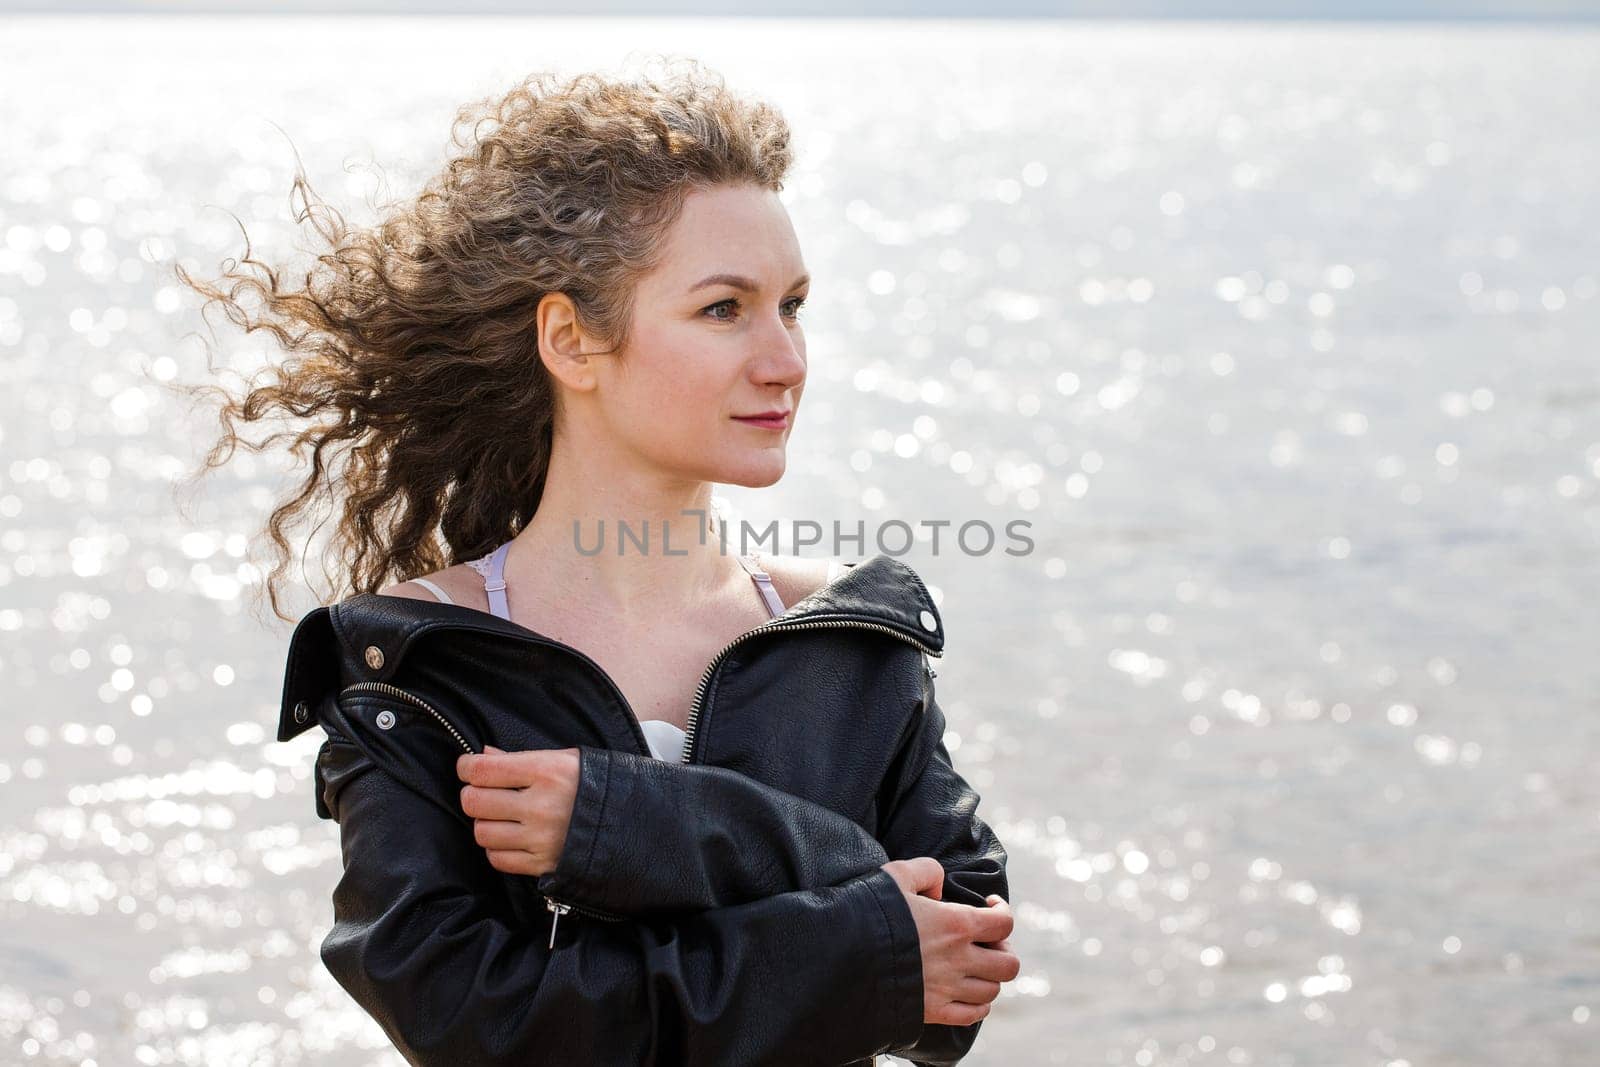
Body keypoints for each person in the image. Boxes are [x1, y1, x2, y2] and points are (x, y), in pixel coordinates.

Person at [180, 58, 1018, 1065]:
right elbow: (476, 1025)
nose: (785, 358)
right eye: (723, 309)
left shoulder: (855, 636)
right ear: (572, 341)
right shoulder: (419, 667)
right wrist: (854, 934)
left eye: (792, 305)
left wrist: (649, 823)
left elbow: (957, 973)